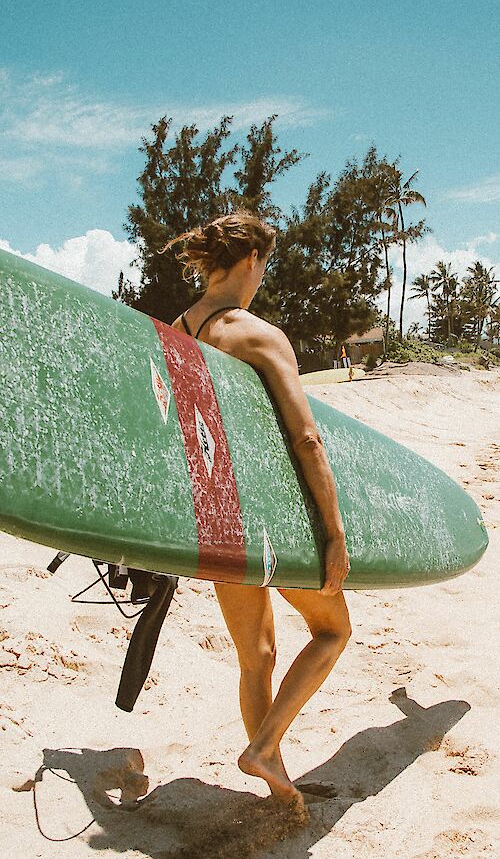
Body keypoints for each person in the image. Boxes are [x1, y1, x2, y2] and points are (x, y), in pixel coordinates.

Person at [163, 212, 351, 809]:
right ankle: (265, 748)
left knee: (257, 656)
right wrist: (334, 530)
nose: (263, 277)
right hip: (267, 518)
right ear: (251, 262)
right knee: (331, 629)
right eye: (265, 265)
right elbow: (307, 439)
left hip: (212, 514)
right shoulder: (257, 334)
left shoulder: (179, 328)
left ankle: (278, 787)